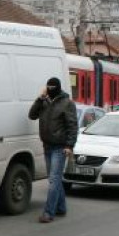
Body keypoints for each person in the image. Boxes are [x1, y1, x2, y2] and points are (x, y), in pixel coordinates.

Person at [29, 77, 79, 224]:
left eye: (52, 87)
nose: (50, 89)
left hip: (60, 147)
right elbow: (32, 115)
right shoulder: (44, 102)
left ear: (58, 87)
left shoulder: (67, 103)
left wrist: (69, 146)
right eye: (48, 87)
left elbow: (72, 126)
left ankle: (48, 212)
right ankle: (61, 207)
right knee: (54, 180)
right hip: (47, 146)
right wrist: (40, 98)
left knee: (54, 180)